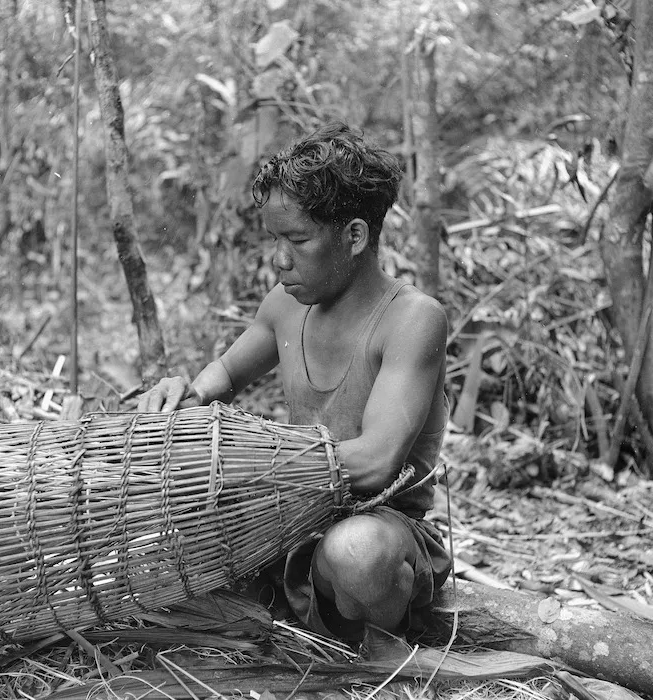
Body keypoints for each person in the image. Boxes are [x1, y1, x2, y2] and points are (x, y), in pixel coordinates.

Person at [137, 122, 451, 659]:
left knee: (357, 551)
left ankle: (377, 659)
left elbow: (376, 463)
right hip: (289, 518)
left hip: (381, 521)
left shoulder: (412, 319)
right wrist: (176, 398)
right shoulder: (284, 306)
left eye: (298, 240)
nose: (279, 259)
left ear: (353, 236)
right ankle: (293, 623)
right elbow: (218, 380)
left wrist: (246, 465)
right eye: (275, 240)